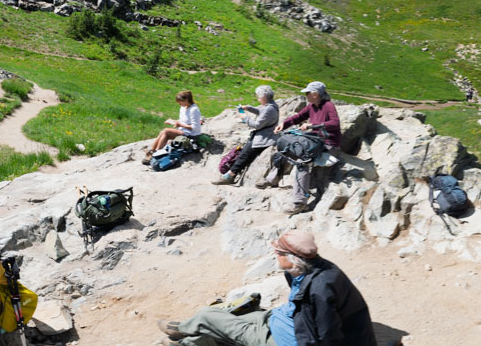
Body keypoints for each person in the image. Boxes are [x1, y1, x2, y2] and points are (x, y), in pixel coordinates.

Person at [160, 230, 376, 346]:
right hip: (284, 319)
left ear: (291, 259)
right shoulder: (315, 268)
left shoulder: (319, 290)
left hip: (289, 339)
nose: (275, 255)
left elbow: (328, 334)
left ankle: (182, 329)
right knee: (232, 318)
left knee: (209, 316)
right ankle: (187, 342)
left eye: (278, 253)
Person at [263, 82, 339, 213]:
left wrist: (312, 126)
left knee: (302, 162)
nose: (306, 95)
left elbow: (335, 123)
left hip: (328, 144)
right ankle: (273, 179)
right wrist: (284, 124)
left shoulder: (328, 106)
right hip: (314, 140)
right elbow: (298, 117)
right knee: (286, 149)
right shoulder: (311, 106)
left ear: (315, 94)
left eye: (307, 93)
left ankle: (300, 202)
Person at [213, 86, 279, 186]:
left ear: (264, 97)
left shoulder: (269, 109)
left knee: (244, 154)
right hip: (264, 136)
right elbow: (261, 112)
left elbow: (257, 125)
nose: (258, 99)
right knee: (244, 152)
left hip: (264, 139)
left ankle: (230, 176)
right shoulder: (271, 105)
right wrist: (249, 108)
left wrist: (245, 118)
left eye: (258, 97)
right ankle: (231, 174)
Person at [144, 91, 205, 164]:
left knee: (166, 131)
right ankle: (152, 151)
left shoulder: (194, 110)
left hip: (192, 134)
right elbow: (183, 120)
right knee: (163, 132)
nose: (179, 103)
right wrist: (173, 121)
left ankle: (155, 154)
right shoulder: (183, 108)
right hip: (183, 130)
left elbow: (195, 127)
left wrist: (180, 125)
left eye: (180, 102)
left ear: (186, 100)